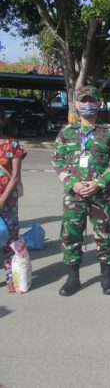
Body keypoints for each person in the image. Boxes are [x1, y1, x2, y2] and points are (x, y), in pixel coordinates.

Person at [51, 85, 110, 296]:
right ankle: (72, 279)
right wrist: (72, 182)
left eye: (91, 100)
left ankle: (106, 279)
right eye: (83, 101)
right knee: (70, 236)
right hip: (74, 196)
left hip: (100, 195)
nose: (87, 104)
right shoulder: (66, 132)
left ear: (99, 103)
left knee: (105, 235)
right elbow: (57, 160)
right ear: (76, 104)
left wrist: (98, 184)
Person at [0, 108, 27, 293]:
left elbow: (15, 176)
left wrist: (2, 200)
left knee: (10, 240)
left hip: (8, 203)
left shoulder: (12, 145)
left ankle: (12, 277)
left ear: (2, 121)